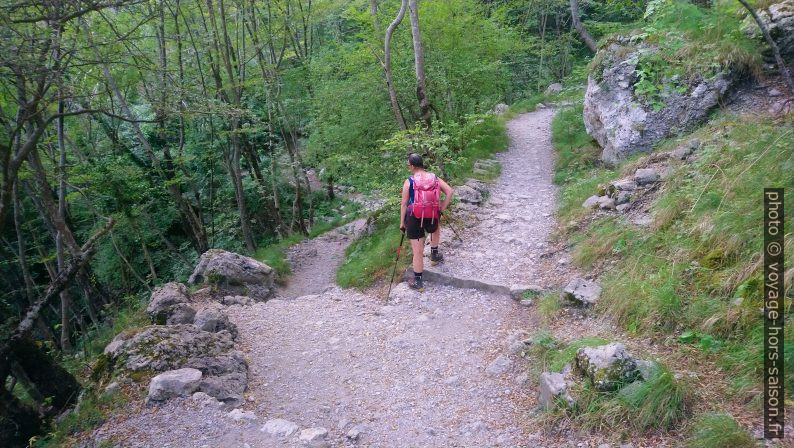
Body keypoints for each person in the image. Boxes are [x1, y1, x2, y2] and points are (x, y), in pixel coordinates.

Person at [399, 153, 454, 291]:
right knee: (436, 226)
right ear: (422, 164)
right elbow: (449, 191)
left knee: (417, 251)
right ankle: (434, 254)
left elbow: (404, 205)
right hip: (432, 214)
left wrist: (402, 223)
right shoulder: (434, 178)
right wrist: (441, 208)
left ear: (411, 166)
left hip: (414, 217)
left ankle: (418, 282)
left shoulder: (409, 181)